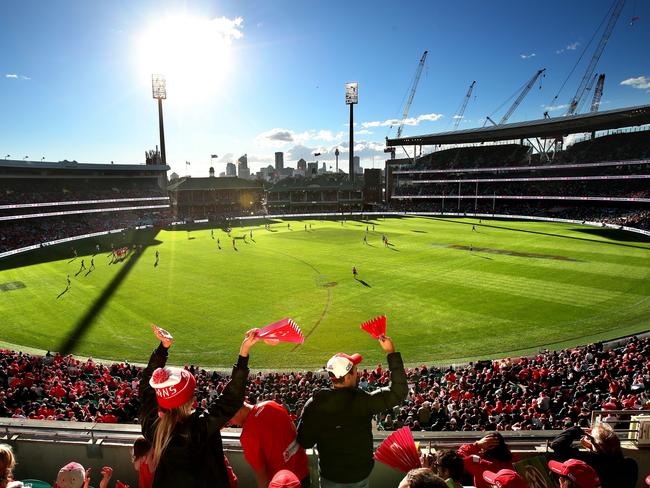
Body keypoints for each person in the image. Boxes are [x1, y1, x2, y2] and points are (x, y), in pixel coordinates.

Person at [139, 324, 260, 488]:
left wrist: (163, 348)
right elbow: (232, 399)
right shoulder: (199, 429)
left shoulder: (152, 427)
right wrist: (244, 351)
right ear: (192, 401)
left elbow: (146, 385)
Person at [296, 335, 407, 488]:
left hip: (330, 476)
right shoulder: (364, 401)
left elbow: (304, 442)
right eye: (355, 370)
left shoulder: (315, 404)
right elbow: (398, 392)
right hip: (359, 477)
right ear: (348, 377)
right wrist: (391, 352)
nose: (358, 372)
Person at [228, 400, 309, 488]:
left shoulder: (247, 436)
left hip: (281, 484)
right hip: (303, 473)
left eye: (229, 417)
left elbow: (261, 475)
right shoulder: (271, 404)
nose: (229, 422)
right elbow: (293, 430)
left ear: (238, 410)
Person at [550, 422, 637, 488]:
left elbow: (557, 445)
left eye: (589, 437)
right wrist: (592, 446)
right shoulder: (630, 465)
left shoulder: (585, 461)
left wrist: (576, 429)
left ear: (594, 443)